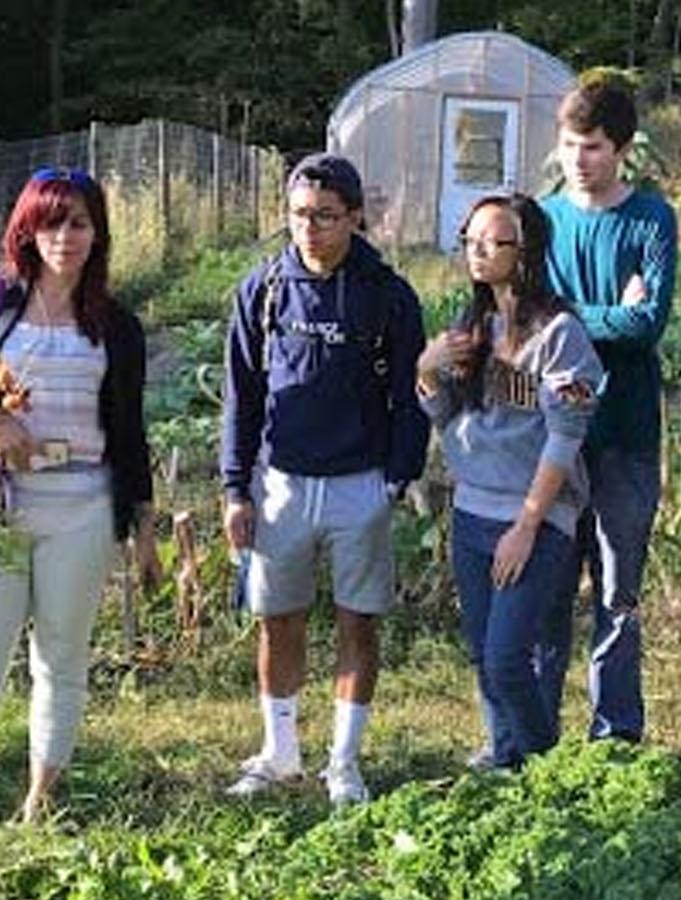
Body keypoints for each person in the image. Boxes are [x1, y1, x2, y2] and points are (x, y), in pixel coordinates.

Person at [0, 167, 160, 824]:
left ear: (98, 233)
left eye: (79, 222)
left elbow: (129, 434)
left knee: (61, 657)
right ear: (27, 229)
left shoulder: (116, 326)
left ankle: (39, 806)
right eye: (52, 222)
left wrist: (143, 525)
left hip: (81, 503)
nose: (65, 236)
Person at [220, 153, 428, 805]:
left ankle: (345, 762)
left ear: (356, 217)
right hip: (279, 483)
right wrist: (233, 488)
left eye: (327, 217)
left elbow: (411, 393)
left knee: (356, 622)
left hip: (359, 483)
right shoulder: (263, 289)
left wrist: (399, 477)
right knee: (277, 620)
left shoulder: (388, 295)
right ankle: (280, 752)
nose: (311, 229)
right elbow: (241, 395)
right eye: (300, 215)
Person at [417, 194, 601, 768]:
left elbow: (565, 435)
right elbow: (448, 417)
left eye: (492, 241)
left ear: (526, 252)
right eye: (469, 239)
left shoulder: (559, 335)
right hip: (472, 509)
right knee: (481, 653)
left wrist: (527, 524)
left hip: (533, 516)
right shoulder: (472, 326)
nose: (477, 251)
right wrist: (427, 368)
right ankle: (506, 756)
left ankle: (544, 768)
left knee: (506, 657)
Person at [537, 80, 677, 744]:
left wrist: (571, 317)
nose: (578, 160)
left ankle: (615, 735)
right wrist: (602, 316)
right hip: (552, 438)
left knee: (619, 594)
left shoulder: (652, 218)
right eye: (569, 146)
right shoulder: (542, 220)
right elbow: (532, 323)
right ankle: (533, 731)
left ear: (620, 150)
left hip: (625, 434)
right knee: (548, 593)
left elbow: (646, 325)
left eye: (591, 148)